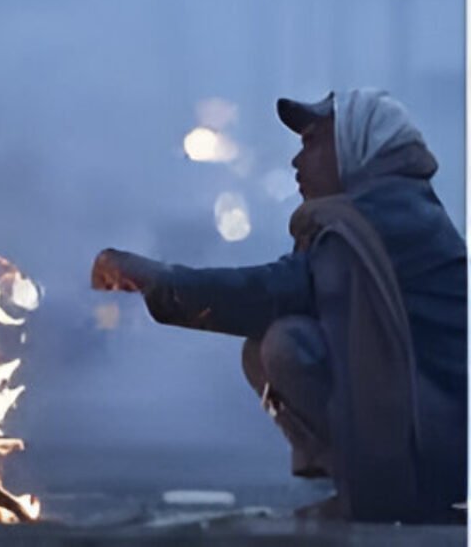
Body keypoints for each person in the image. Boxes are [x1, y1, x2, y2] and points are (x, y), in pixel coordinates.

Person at [91, 90, 466, 523]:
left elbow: (274, 291)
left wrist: (159, 279)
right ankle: (368, 491)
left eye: (311, 143)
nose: (297, 161)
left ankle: (374, 500)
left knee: (287, 343)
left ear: (354, 147)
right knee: (269, 344)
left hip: (452, 435)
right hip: (442, 426)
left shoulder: (381, 218)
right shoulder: (378, 210)